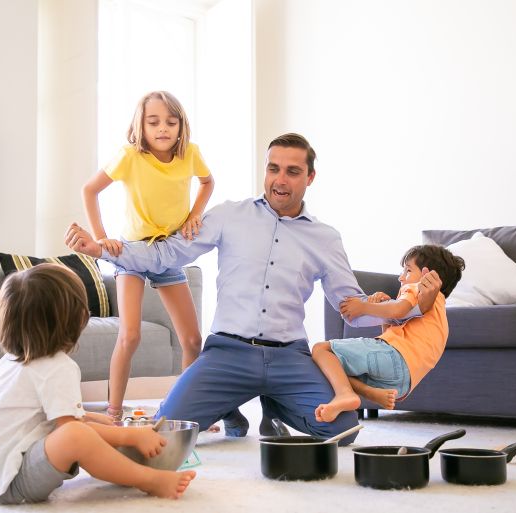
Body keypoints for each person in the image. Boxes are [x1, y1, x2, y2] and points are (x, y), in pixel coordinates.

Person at [65, 133, 442, 446]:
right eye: (273, 168)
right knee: (169, 432)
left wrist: (412, 307)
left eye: (293, 172)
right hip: (228, 352)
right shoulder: (230, 215)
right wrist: (103, 248)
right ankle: (231, 403)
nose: (280, 179)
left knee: (343, 430)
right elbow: (168, 253)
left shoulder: (325, 239)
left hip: (289, 358)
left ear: (310, 177)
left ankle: (273, 401)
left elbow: (350, 308)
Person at [0, 264, 196, 504]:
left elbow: (42, 416)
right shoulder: (57, 366)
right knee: (76, 434)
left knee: (89, 423)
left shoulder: (11, 362)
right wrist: (130, 436)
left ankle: (121, 464)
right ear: (79, 318)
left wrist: (92, 419)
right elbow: (69, 430)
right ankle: (149, 479)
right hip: (11, 481)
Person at [81, 91, 214, 421]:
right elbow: (90, 190)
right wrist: (101, 237)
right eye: (153, 122)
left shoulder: (190, 154)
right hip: (133, 256)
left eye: (171, 122)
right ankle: (113, 412)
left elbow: (207, 182)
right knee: (130, 335)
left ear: (181, 126)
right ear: (140, 125)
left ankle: (187, 409)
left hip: (168, 254)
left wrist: (194, 214)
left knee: (193, 339)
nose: (163, 129)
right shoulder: (130, 156)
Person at [313, 245, 465, 423]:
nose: (401, 277)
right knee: (334, 370)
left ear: (427, 275)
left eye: (408, 270)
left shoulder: (418, 288)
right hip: (403, 382)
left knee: (321, 350)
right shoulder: (437, 313)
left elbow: (398, 310)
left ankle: (344, 394)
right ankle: (370, 393)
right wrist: (385, 311)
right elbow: (392, 329)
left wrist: (363, 306)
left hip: (394, 357)